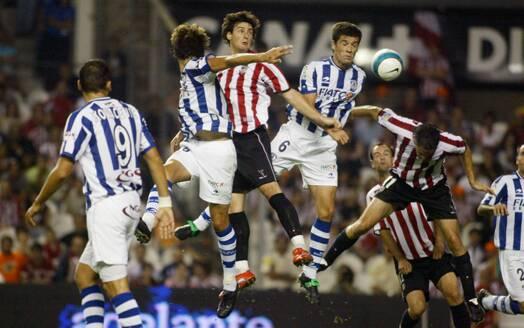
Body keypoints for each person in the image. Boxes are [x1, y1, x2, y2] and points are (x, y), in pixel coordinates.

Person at [157, 11, 342, 289]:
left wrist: (319, 119)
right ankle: (242, 269)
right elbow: (205, 106)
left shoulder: (263, 65)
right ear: (229, 35)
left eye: (249, 32)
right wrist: (182, 132)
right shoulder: (214, 68)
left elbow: (290, 94)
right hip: (226, 144)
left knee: (271, 191)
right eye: (241, 30)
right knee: (234, 204)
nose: (246, 35)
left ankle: (298, 246)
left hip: (252, 138)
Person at [134, 23, 293, 318]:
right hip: (194, 146)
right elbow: (204, 105)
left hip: (220, 152)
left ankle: (230, 286)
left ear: (175, 51)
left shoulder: (196, 65)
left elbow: (227, 61)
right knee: (164, 174)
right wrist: (183, 131)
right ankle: (147, 221)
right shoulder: (187, 79)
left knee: (222, 221)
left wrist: (262, 56)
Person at [25, 59, 175, 328]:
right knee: (84, 275)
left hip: (107, 208)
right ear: (109, 85)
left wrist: (38, 202)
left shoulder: (81, 117)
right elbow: (153, 157)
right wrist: (165, 202)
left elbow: (62, 171)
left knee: (116, 286)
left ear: (80, 85)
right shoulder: (131, 111)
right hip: (131, 204)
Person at [320, 105, 493, 322]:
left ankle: (473, 300)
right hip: (402, 184)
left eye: (426, 154)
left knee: (456, 242)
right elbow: (374, 110)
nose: (421, 155)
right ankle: (323, 261)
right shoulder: (402, 127)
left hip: (433, 189)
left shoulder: (447, 142)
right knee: (363, 224)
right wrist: (344, 113)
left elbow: (465, 147)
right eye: (419, 150)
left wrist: (472, 180)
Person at [266, 21, 362, 304]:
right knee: (250, 180)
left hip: (322, 147)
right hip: (296, 136)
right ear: (334, 45)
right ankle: (206, 217)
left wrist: (337, 130)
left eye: (354, 45)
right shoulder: (314, 69)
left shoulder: (359, 77)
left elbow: (346, 109)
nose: (349, 49)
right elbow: (307, 106)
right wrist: (332, 127)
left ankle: (309, 273)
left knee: (327, 211)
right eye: (344, 44)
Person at [368, 143, 471, 328]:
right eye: (377, 155)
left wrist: (440, 242)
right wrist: (400, 259)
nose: (382, 157)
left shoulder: (415, 182)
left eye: (386, 153)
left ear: (394, 160)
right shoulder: (373, 195)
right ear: (372, 163)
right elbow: (383, 230)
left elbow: (437, 211)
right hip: (409, 261)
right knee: (416, 308)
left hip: (434, 252)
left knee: (454, 293)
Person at [476, 144, 524, 316]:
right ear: (517, 160)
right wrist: (494, 208)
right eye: (523, 154)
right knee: (523, 304)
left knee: (521, 305)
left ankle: (484, 300)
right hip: (512, 250)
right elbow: (481, 208)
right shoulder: (504, 181)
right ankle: (485, 301)